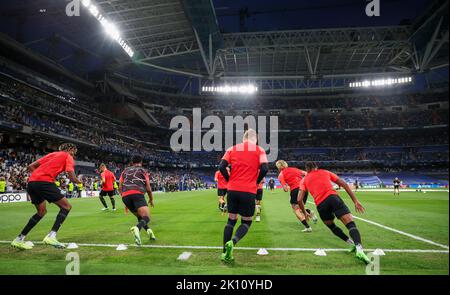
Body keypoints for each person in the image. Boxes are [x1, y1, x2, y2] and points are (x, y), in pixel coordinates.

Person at [11, 143, 81, 250]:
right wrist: (78, 181)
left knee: (41, 212)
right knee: (66, 206)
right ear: (70, 149)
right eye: (74, 151)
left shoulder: (52, 154)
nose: (74, 153)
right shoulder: (68, 156)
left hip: (32, 183)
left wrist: (40, 175)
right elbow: (71, 175)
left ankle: (19, 239)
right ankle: (51, 236)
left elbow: (30, 166)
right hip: (44, 182)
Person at [297, 162, 370, 264]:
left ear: (307, 169)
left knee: (332, 227)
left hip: (321, 205)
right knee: (350, 224)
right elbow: (344, 184)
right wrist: (355, 201)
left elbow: (299, 199)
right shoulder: (325, 172)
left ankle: (351, 243)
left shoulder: (304, 180)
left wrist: (305, 213)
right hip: (333, 198)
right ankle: (359, 248)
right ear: (316, 167)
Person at [218, 129, 269, 263]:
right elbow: (264, 169)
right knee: (246, 221)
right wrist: (256, 182)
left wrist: (229, 180)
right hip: (249, 191)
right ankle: (233, 242)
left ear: (243, 138)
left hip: (232, 190)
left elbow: (221, 167)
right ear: (255, 139)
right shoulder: (260, 150)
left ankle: (225, 252)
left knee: (231, 221)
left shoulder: (232, 148)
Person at [119, 155, 156, 246]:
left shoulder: (125, 171)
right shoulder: (143, 170)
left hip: (125, 196)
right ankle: (137, 228)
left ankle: (149, 231)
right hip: (137, 194)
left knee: (140, 216)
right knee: (146, 217)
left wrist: (125, 200)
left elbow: (120, 186)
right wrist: (151, 199)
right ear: (141, 162)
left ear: (132, 162)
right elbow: (148, 188)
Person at [276, 160, 317, 232]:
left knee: (296, 210)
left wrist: (287, 186)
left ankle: (307, 227)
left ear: (278, 167)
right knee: (301, 207)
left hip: (295, 190)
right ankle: (310, 213)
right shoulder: (294, 169)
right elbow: (306, 173)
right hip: (304, 189)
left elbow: (285, 189)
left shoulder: (281, 175)